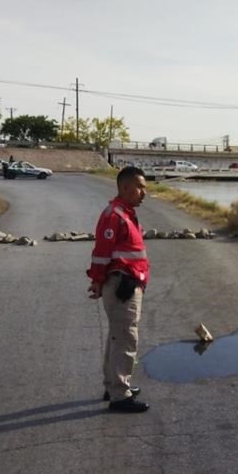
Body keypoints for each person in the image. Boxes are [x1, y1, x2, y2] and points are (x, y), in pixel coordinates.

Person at [87, 166, 151, 413]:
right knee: (125, 337)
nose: (144, 193)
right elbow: (101, 253)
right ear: (125, 188)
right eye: (140, 187)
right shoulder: (115, 215)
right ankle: (120, 396)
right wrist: (97, 281)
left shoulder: (126, 213)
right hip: (122, 285)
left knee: (117, 336)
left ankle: (113, 385)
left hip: (129, 282)